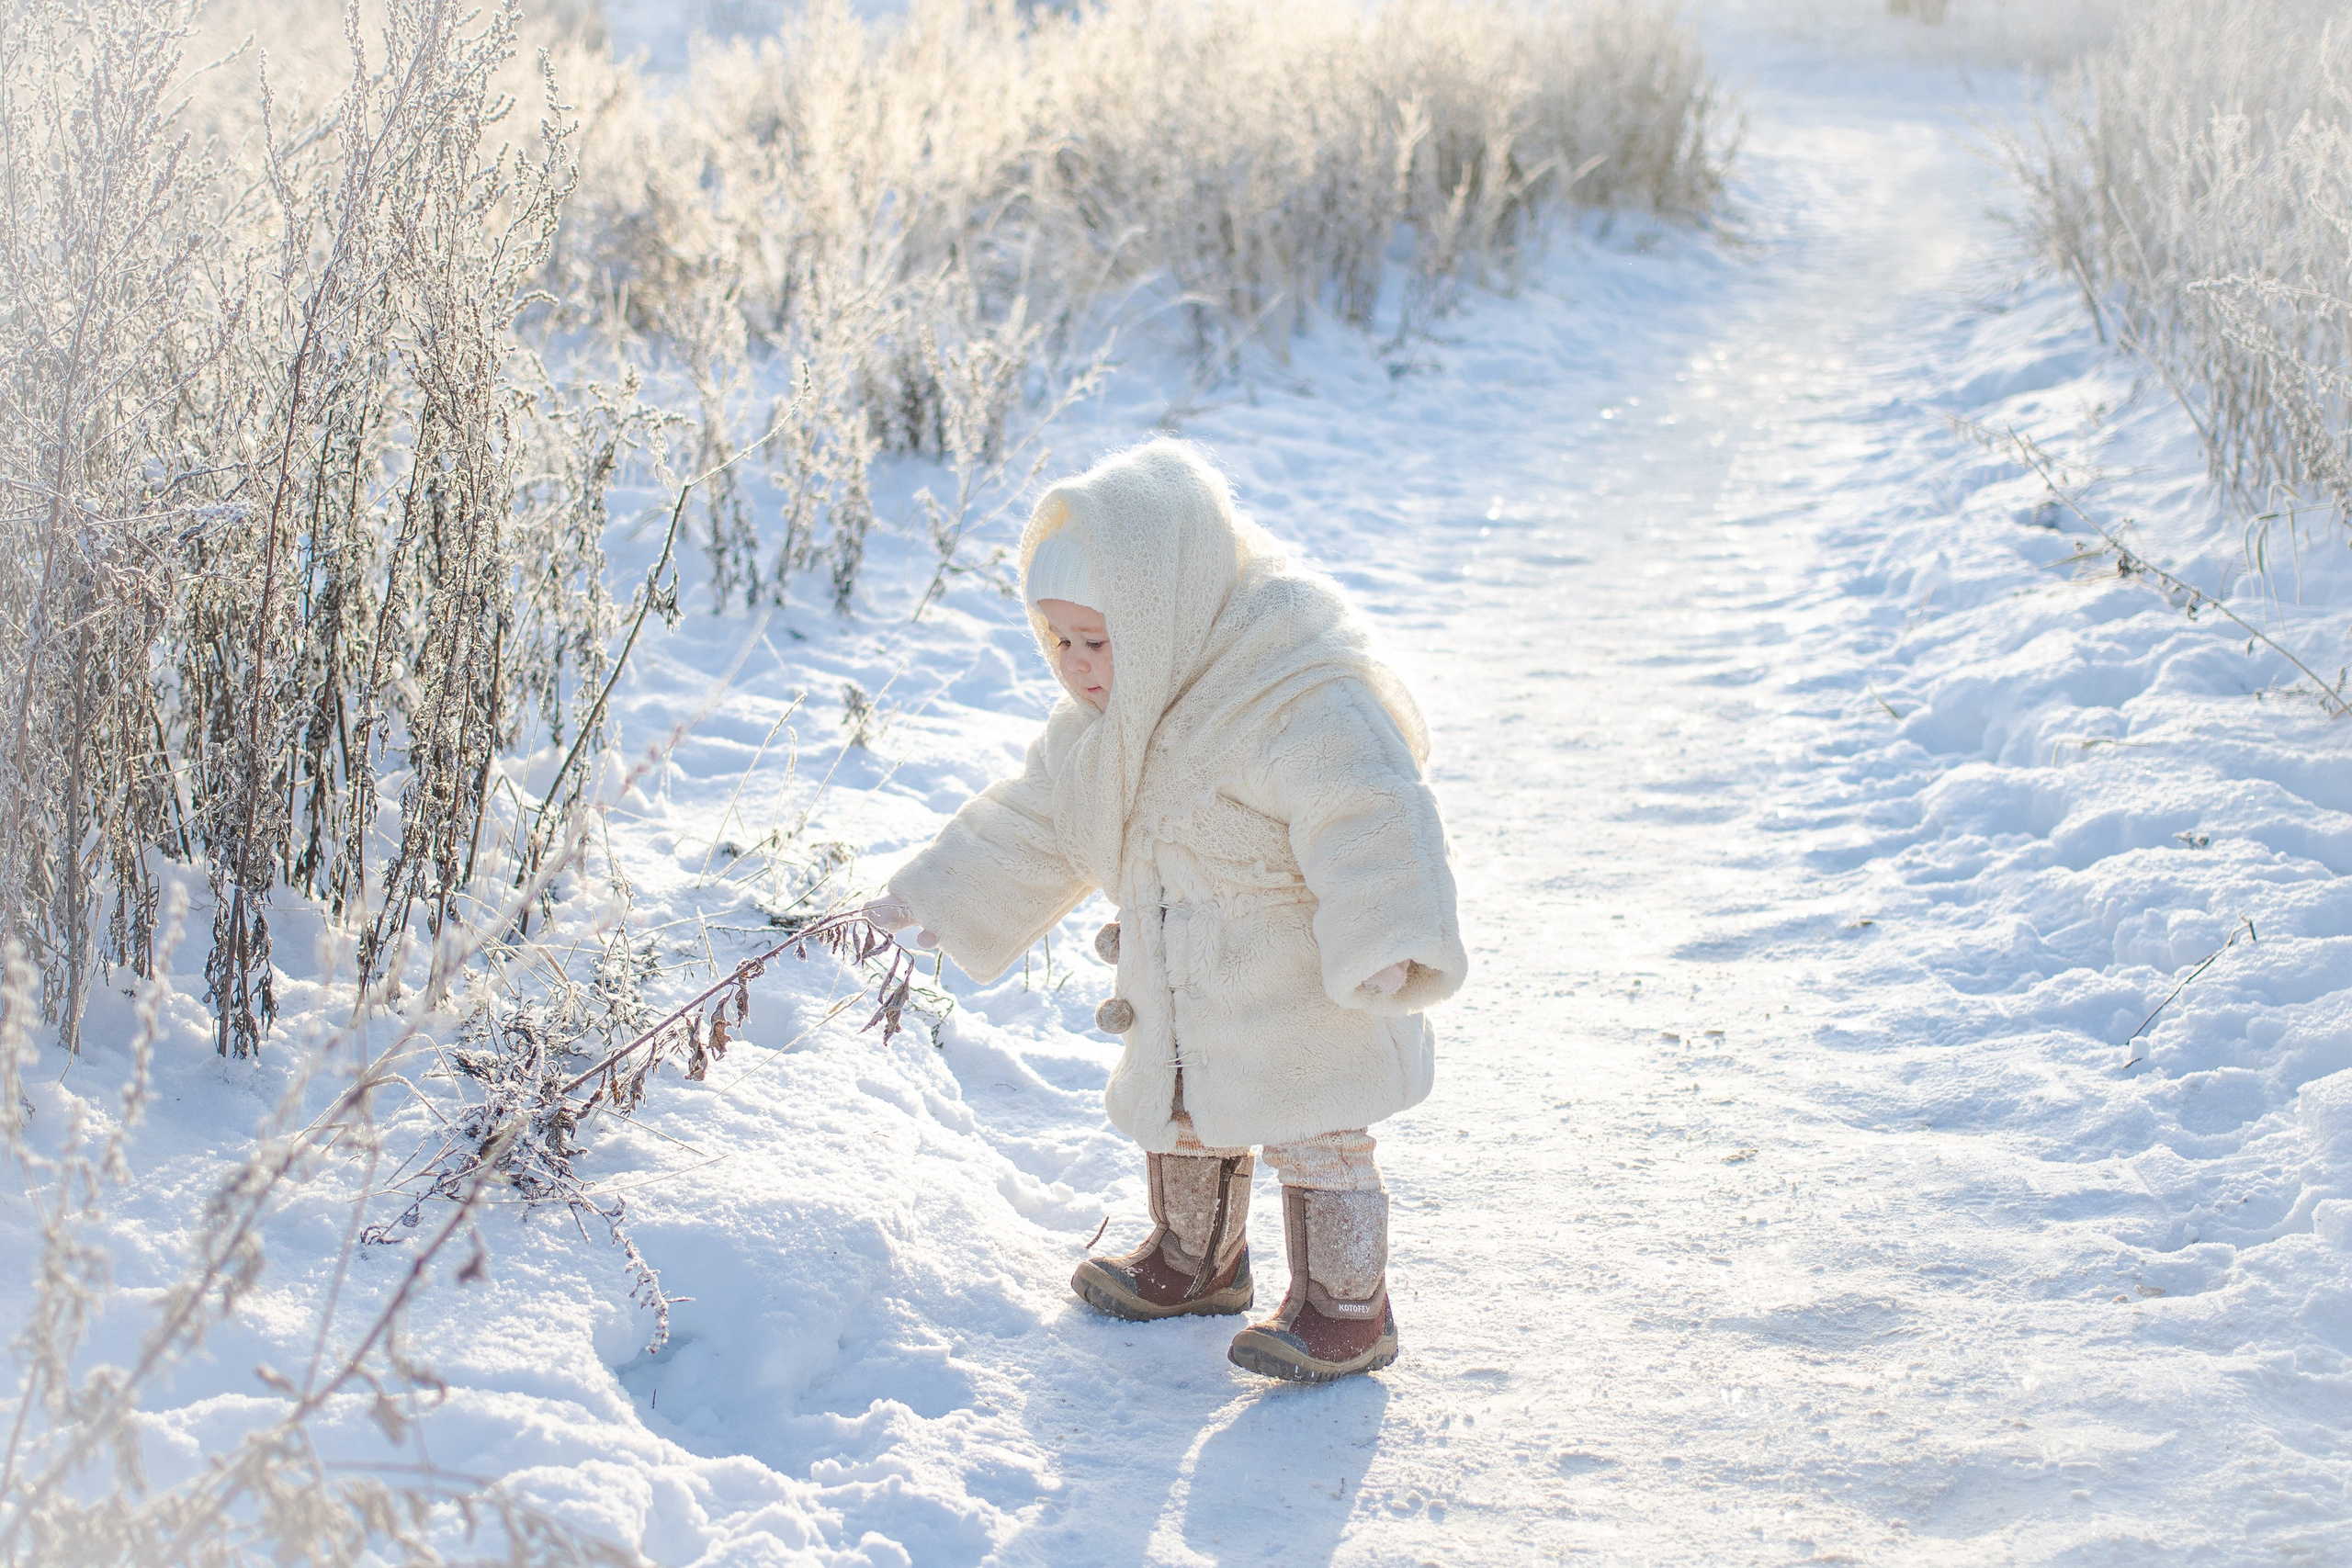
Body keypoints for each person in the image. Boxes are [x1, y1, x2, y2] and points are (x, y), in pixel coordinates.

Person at [865, 438, 1465, 1382]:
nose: (1075, 666)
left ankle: (1347, 1307)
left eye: (1096, 641)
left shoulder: (1294, 692)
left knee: (1320, 1131)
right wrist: (935, 891)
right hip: (1183, 976)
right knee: (1182, 1109)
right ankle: (1194, 1261)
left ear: (1163, 611)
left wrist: (1387, 936)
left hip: (1306, 980)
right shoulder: (1108, 726)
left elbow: (1371, 810)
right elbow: (1037, 817)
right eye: (1055, 640)